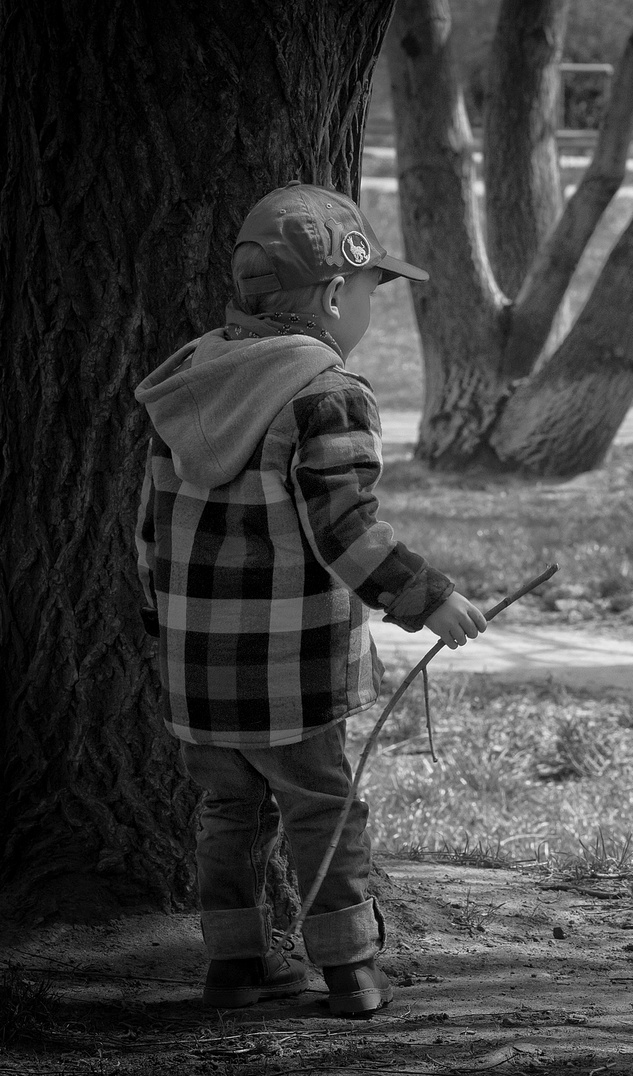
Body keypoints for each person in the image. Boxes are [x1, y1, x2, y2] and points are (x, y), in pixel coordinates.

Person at [134, 182, 488, 1014]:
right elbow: (346, 530)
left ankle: (234, 965)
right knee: (323, 809)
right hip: (292, 674)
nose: (368, 308)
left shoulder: (191, 382)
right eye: (370, 292)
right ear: (335, 295)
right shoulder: (328, 392)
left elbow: (147, 530)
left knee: (227, 812)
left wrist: (163, 626)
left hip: (196, 672)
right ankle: (351, 969)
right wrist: (426, 597)